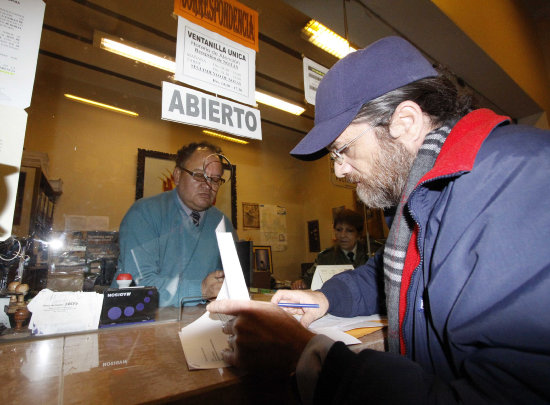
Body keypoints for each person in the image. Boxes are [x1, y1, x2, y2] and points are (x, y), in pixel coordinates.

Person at [207, 36, 550, 404]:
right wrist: (322, 297)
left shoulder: (515, 186)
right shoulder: (430, 194)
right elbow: (391, 273)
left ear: (405, 120)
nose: (340, 170)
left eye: (344, 150)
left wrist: (310, 355)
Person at [114, 141, 236, 307]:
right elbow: (141, 284)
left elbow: (231, 279)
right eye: (199, 176)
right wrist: (200, 289)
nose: (208, 186)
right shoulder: (144, 213)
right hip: (142, 320)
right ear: (177, 176)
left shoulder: (222, 223)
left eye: (215, 180)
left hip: (200, 322)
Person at [291, 208, 368, 289]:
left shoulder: (370, 253)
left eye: (349, 231)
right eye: (338, 230)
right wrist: (301, 283)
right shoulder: (325, 257)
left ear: (358, 234)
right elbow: (308, 279)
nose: (342, 235)